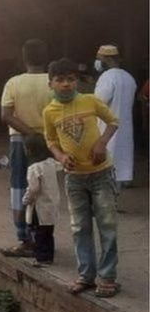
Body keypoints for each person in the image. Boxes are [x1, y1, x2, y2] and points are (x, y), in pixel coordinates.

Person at [43, 58, 120, 298]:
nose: (66, 84)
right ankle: (86, 276)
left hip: (101, 174)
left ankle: (107, 278)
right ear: (51, 84)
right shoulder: (50, 111)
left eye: (71, 79)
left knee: (107, 225)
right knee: (79, 227)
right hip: (74, 178)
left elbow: (113, 122)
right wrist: (60, 156)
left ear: (77, 81)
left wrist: (101, 143)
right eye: (60, 80)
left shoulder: (90, 101)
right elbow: (51, 141)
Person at [0, 39, 52, 257]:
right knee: (46, 190)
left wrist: (29, 133)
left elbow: (6, 115)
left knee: (20, 188)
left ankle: (24, 238)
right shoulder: (53, 82)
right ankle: (44, 239)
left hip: (21, 141)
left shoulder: (14, 83)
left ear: (24, 58)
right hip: (48, 142)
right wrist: (41, 134)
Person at [93, 45, 137, 188]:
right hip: (124, 126)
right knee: (121, 162)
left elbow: (99, 102)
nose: (97, 62)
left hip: (107, 128)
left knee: (106, 165)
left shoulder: (107, 77)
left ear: (107, 59)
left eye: (99, 59)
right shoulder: (128, 77)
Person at [21, 133, 60, 267]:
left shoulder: (34, 168)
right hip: (52, 204)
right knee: (49, 233)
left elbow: (33, 189)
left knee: (39, 233)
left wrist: (25, 200)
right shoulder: (50, 163)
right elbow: (61, 166)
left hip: (39, 207)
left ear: (29, 150)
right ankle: (49, 256)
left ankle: (42, 259)